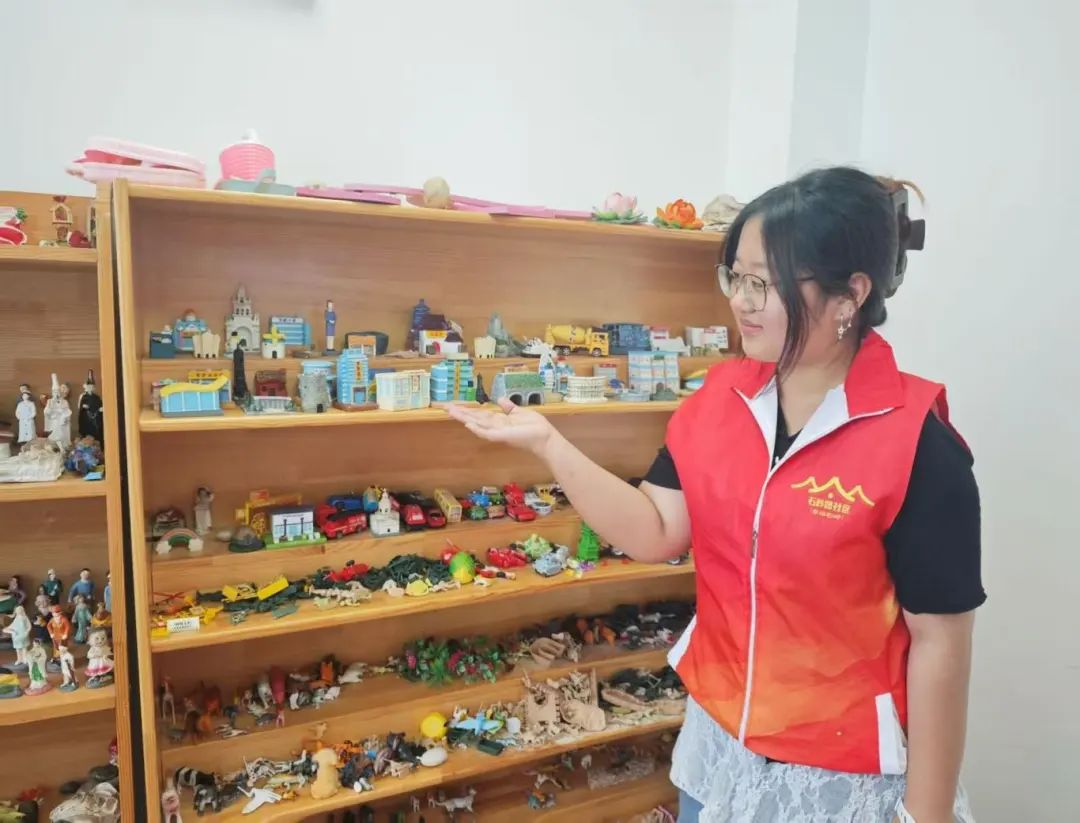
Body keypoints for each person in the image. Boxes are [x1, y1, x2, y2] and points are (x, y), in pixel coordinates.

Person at [448, 167, 983, 823]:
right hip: (718, 754)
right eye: (736, 277)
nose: (741, 302)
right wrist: (550, 445)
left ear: (850, 295)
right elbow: (655, 528)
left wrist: (925, 817)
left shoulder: (916, 442)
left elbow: (941, 647)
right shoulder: (719, 400)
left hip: (837, 777)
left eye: (764, 283)